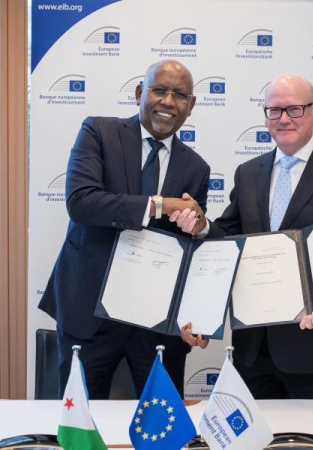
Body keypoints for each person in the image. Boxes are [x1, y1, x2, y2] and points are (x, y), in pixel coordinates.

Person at [172, 74, 313, 399]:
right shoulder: (248, 173)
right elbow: (228, 236)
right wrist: (202, 225)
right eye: (275, 110)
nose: (284, 119)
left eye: (294, 109)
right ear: (265, 115)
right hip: (253, 349)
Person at [39, 60, 210, 399]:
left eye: (180, 95)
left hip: (157, 324)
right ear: (139, 93)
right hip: (88, 315)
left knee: (162, 421)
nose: (168, 102)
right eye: (159, 90)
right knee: (80, 421)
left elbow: (191, 252)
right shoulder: (98, 132)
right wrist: (160, 205)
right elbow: (82, 202)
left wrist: (199, 226)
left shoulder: (197, 168)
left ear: (191, 105)